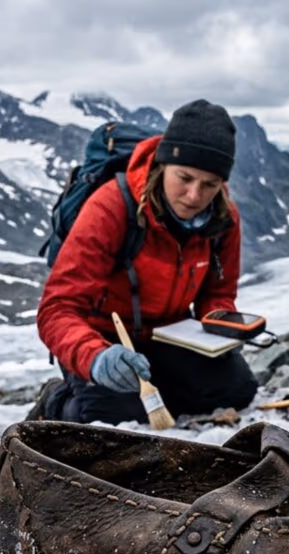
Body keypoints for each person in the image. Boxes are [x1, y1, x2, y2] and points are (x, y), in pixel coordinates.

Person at [34, 99, 258, 424]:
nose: (195, 196)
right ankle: (56, 400)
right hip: (103, 338)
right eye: (184, 177)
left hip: (169, 335)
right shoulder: (111, 207)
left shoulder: (224, 218)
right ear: (163, 165)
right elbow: (57, 309)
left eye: (210, 184)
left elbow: (217, 292)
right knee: (110, 418)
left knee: (239, 390)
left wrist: (220, 324)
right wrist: (96, 357)